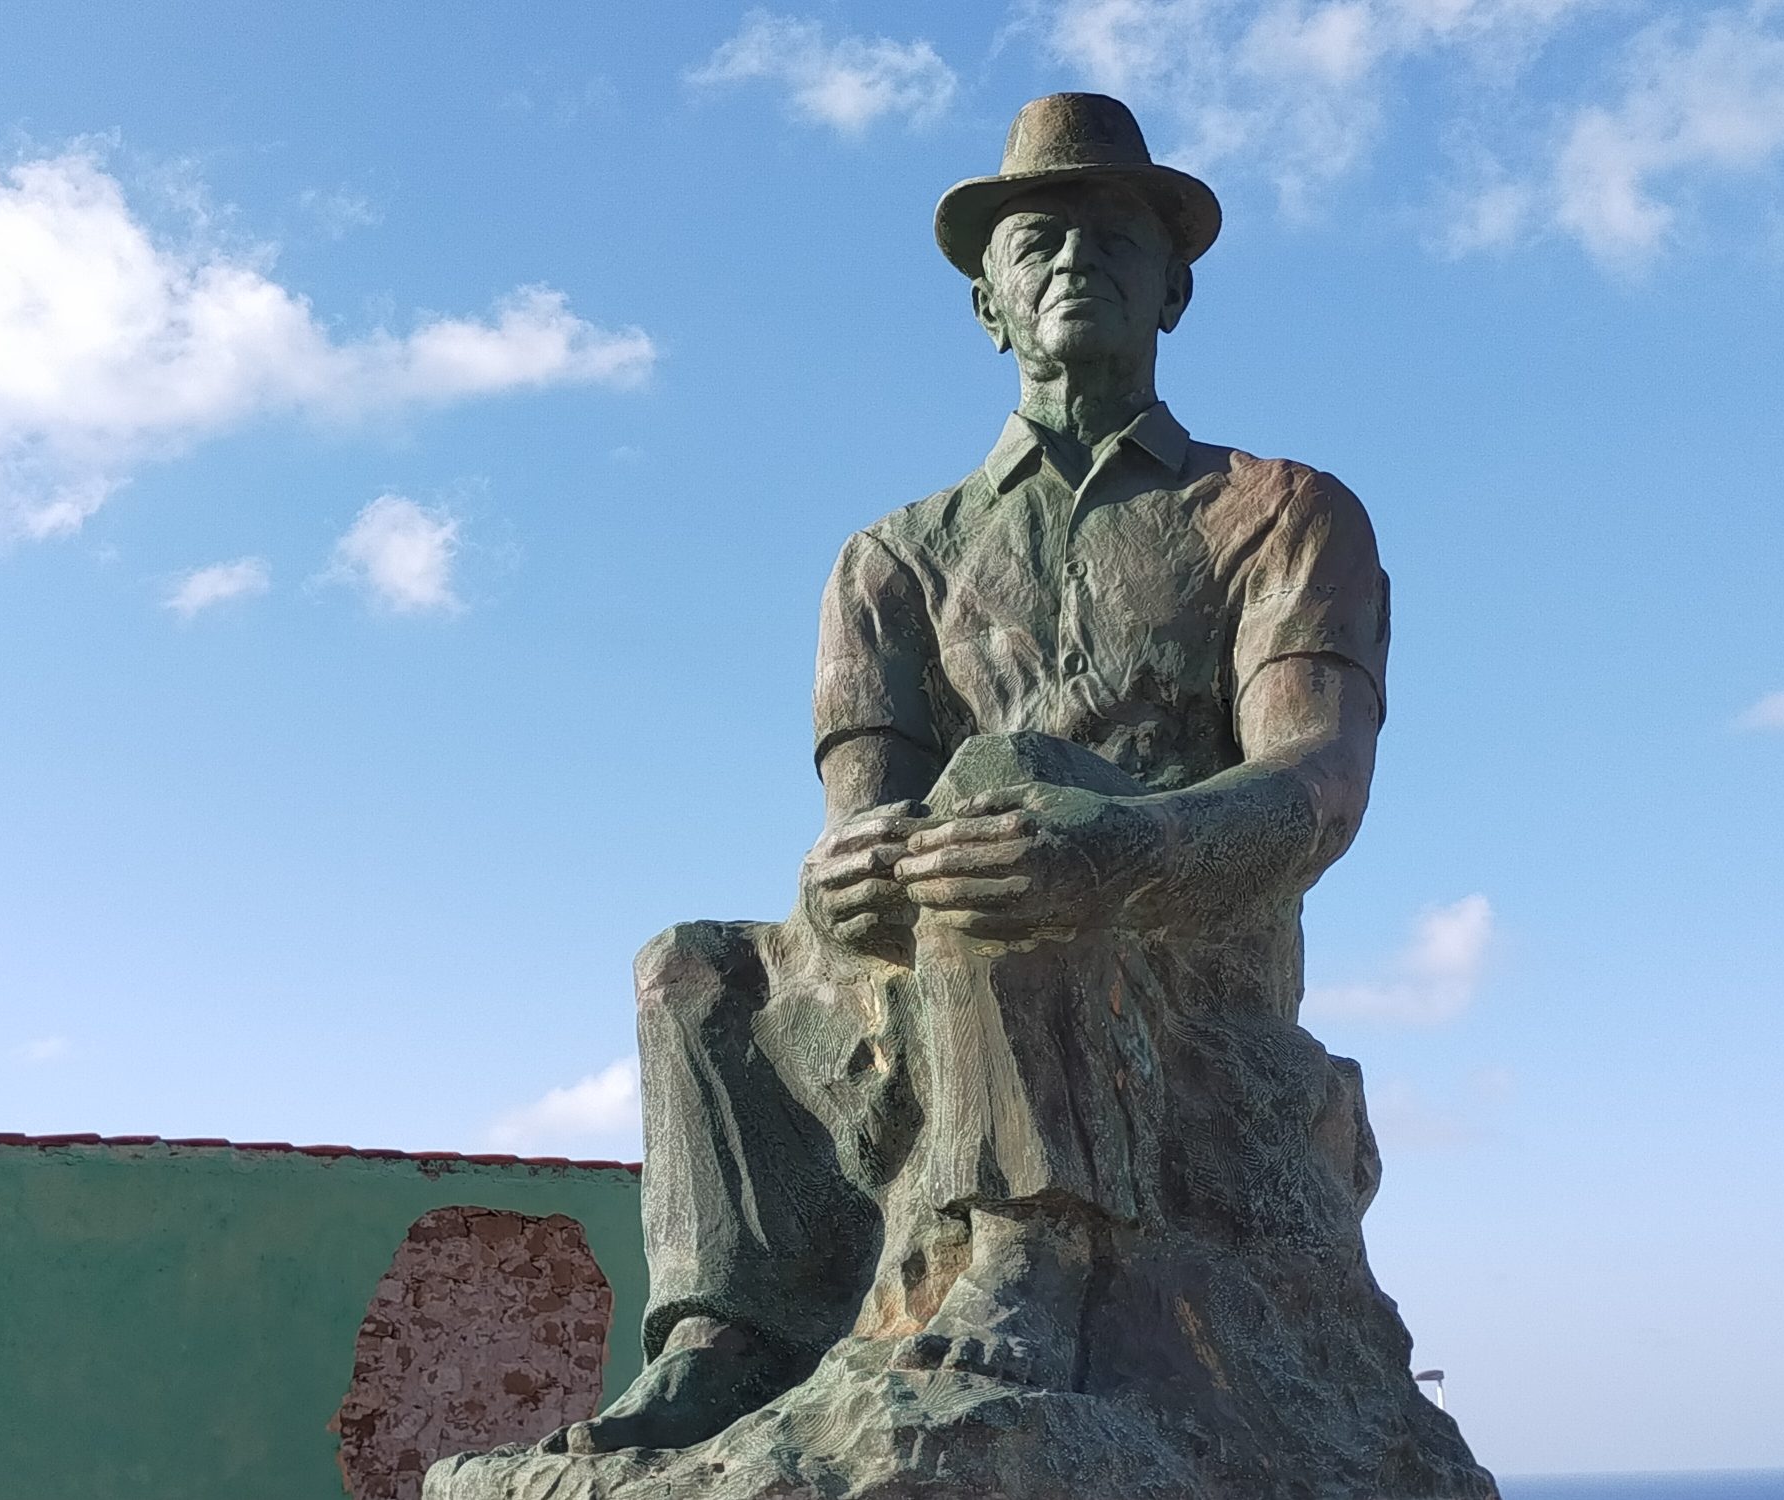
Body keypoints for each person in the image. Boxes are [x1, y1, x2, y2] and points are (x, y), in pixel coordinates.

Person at [542, 92, 1390, 1458]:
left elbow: (1319, 780)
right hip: (942, 938)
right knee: (694, 964)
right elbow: (863, 818)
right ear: (987, 305)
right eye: (1037, 238)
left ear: (1173, 288)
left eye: (1115, 235)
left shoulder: (1283, 512)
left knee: (1006, 785)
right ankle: (725, 1332)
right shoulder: (892, 559)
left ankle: (1030, 1247)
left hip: (1181, 948)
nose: (1075, 260)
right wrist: (858, 871)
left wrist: (1121, 849)